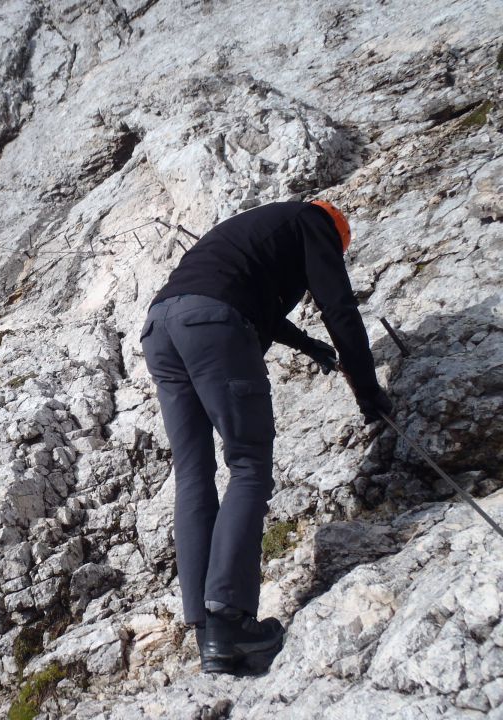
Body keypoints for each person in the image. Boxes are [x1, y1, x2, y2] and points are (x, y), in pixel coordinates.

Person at [140, 200, 392, 675]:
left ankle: (207, 632)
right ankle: (230, 620)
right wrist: (368, 390)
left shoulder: (257, 229)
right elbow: (338, 306)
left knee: (193, 474)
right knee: (249, 466)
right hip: (212, 323)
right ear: (336, 232)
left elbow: (247, 294)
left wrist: (307, 344)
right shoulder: (316, 223)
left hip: (160, 328)